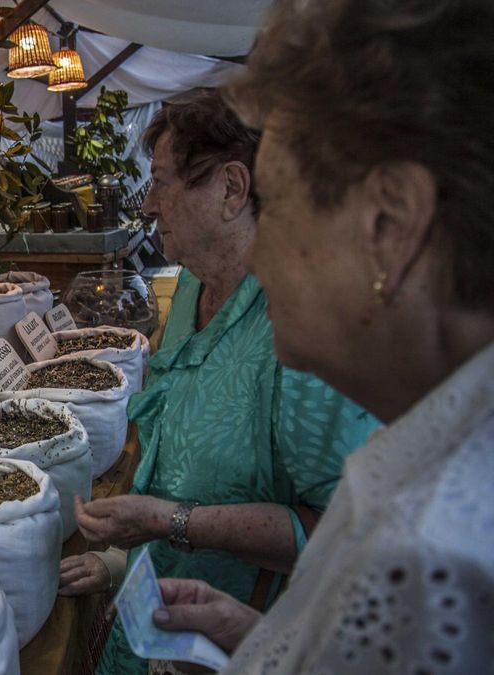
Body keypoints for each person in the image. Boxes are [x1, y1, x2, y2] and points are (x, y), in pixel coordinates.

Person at [150, 0, 494, 671]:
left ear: (389, 225)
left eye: (274, 202)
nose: (262, 249)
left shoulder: (427, 561)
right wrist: (262, 635)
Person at [57, 91, 380, 675]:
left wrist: (167, 522)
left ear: (232, 189)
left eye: (161, 182)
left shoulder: (302, 326)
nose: (149, 203)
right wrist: (122, 563)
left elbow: (345, 531)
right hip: (156, 624)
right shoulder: (189, 288)